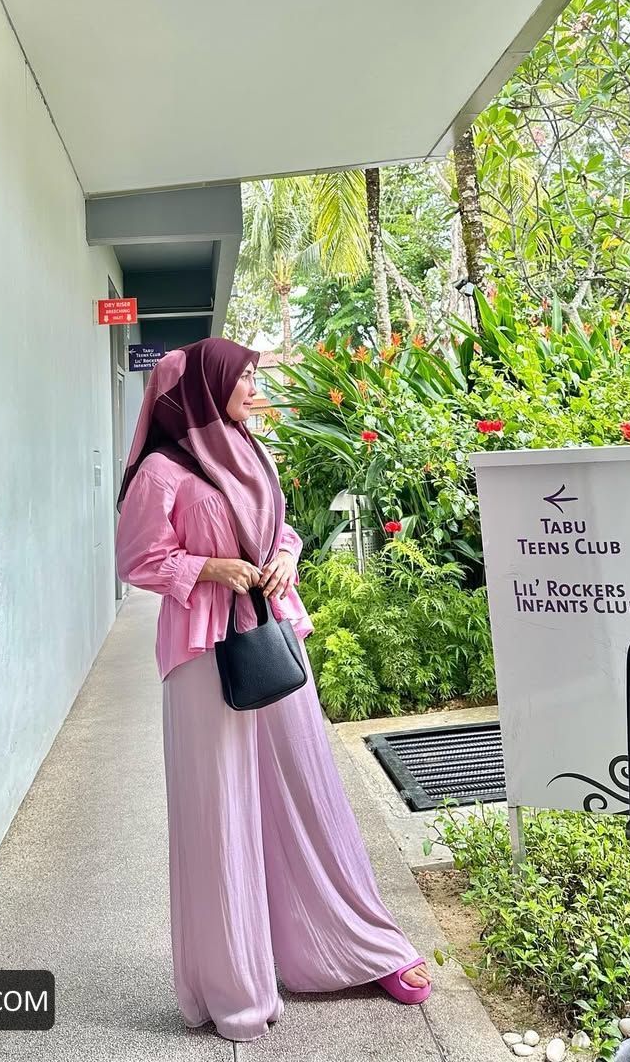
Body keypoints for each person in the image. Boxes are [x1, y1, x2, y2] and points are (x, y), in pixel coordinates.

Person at [114, 336, 433, 1043]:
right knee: (220, 806)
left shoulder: (251, 449)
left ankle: (355, 945)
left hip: (271, 633)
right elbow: (135, 558)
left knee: (308, 788)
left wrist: (286, 557)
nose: (254, 384)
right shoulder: (163, 471)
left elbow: (279, 528)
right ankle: (236, 981)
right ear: (206, 387)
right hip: (204, 650)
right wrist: (210, 568)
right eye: (245, 375)